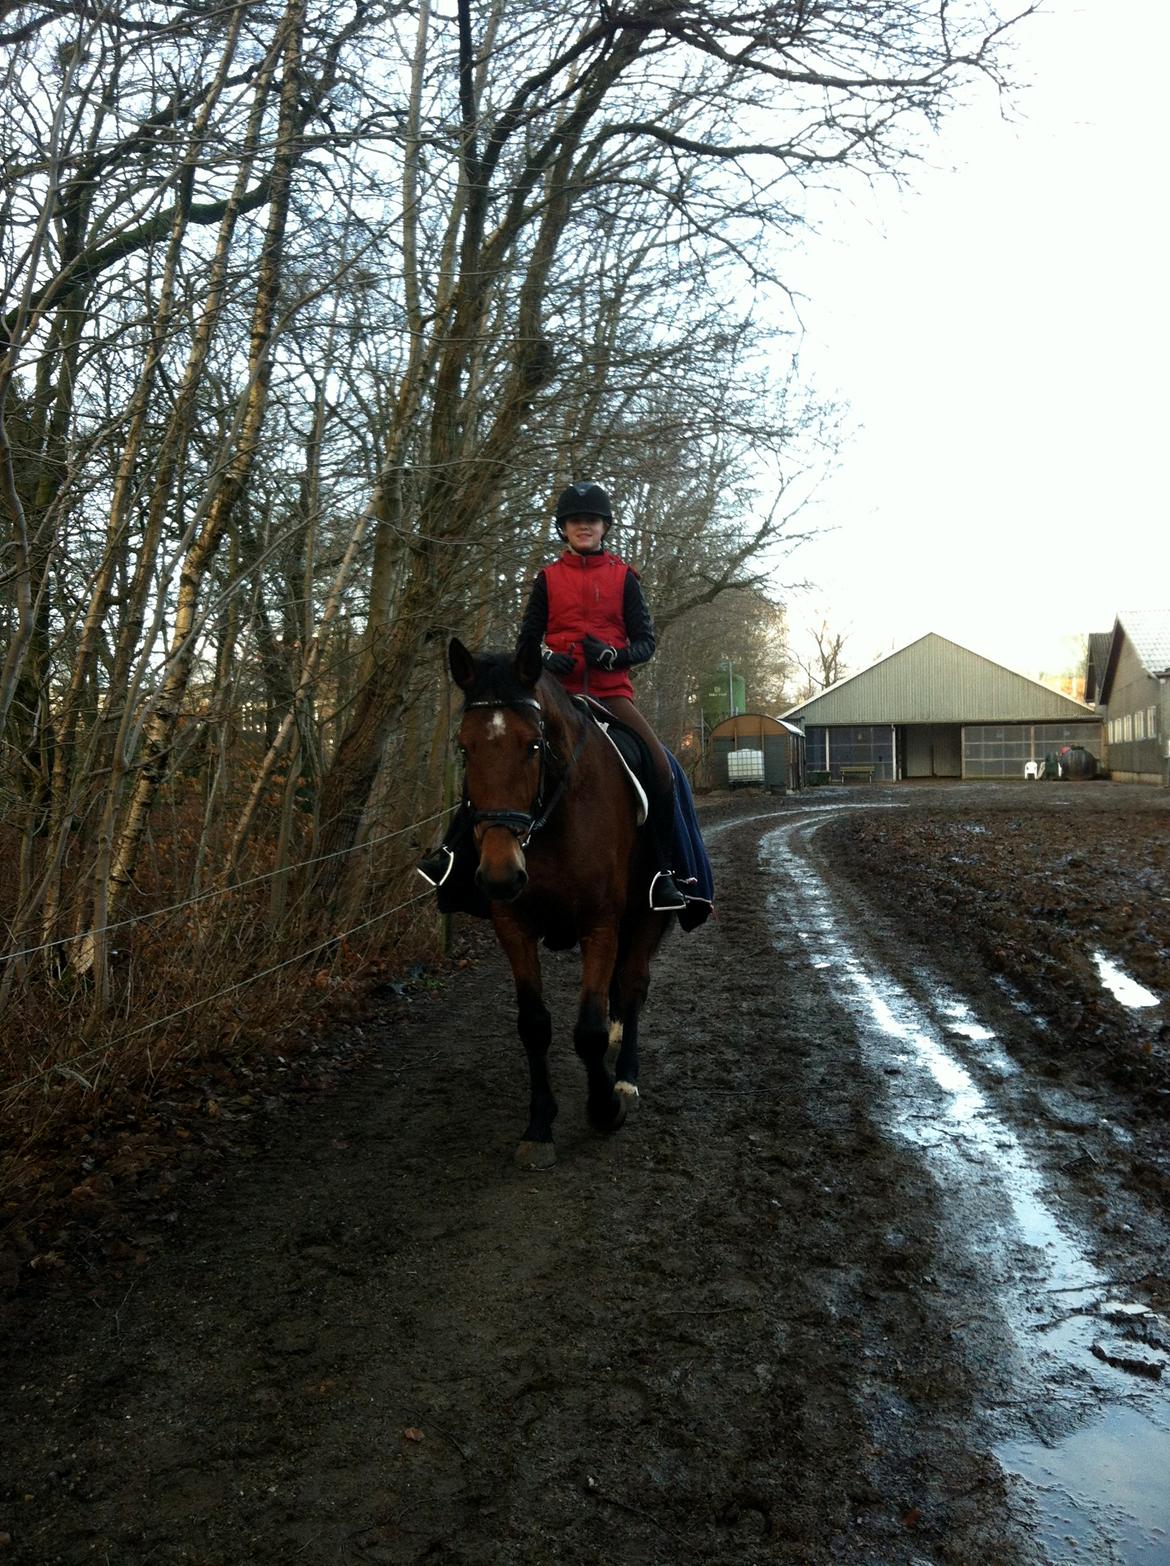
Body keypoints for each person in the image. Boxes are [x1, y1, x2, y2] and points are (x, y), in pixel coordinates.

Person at [418, 481, 688, 911]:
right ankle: (453, 853)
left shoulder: (624, 577)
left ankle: (665, 874)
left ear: (604, 528)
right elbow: (527, 639)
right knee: (498, 756)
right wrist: (546, 657)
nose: (584, 527)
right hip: (552, 692)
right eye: (575, 521)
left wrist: (614, 655)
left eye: (592, 521)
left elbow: (645, 643)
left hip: (609, 693)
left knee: (659, 767)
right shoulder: (547, 578)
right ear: (563, 528)